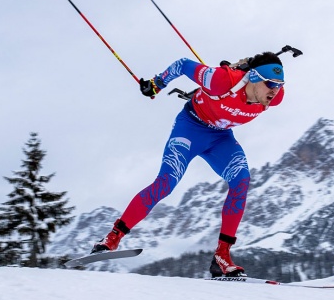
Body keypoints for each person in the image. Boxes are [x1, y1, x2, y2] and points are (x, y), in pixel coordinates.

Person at [91, 51, 286, 277]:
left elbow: (267, 90)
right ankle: (112, 238)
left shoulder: (275, 97)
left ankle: (222, 257)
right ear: (253, 77)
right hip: (190, 129)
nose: (275, 90)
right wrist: (156, 85)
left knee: (241, 180)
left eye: (280, 84)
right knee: (166, 183)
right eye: (270, 83)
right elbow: (182, 64)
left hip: (221, 137)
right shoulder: (221, 81)